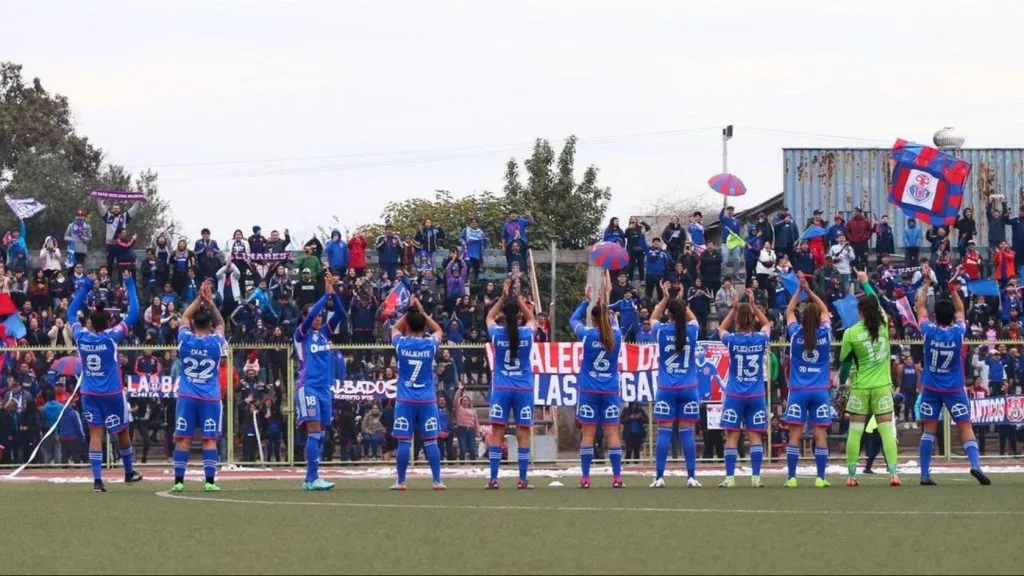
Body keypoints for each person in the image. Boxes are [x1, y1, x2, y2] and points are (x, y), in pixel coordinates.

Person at [914, 270, 991, 486]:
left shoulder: (928, 331)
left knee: (928, 430)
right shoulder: (958, 332)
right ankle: (975, 465)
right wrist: (954, 290)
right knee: (965, 426)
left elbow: (919, 307)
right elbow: (960, 310)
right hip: (955, 389)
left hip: (930, 387)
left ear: (935, 315)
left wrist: (927, 283)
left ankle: (924, 474)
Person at [68, 270, 142, 492]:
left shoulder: (81, 335)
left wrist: (85, 287)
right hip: (111, 393)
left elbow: (71, 312)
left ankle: (98, 481)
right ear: (109, 320)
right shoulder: (112, 336)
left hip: (89, 392)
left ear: (89, 321)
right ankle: (128, 473)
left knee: (96, 433)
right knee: (122, 432)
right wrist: (129, 283)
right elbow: (134, 314)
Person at [839, 268, 901, 487]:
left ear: (860, 312)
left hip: (860, 388)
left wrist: (841, 384)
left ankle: (852, 475)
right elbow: (876, 301)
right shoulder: (883, 325)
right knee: (886, 431)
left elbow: (845, 364)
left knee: (855, 432)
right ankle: (893, 473)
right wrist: (865, 282)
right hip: (883, 386)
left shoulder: (851, 333)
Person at [170, 281, 228, 493]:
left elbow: (184, 317)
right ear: (209, 326)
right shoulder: (215, 342)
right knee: (209, 439)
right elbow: (222, 323)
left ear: (194, 325)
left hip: (187, 396)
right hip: (210, 397)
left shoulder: (185, 339)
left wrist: (198, 299)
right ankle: (210, 482)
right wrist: (210, 303)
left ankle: (179, 481)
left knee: (183, 439)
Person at [570, 272, 624, 489]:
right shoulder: (616, 335)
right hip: (610, 390)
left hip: (589, 391)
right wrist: (607, 307)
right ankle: (617, 477)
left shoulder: (586, 334)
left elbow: (573, 320)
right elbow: (612, 322)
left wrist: (587, 301)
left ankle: (585, 477)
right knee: (612, 434)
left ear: (592, 319)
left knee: (588, 434)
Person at [293, 273, 346, 491]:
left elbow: (341, 313)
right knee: (313, 431)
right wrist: (325, 295)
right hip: (308, 388)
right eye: (314, 315)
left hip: (324, 389)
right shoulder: (301, 334)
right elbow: (311, 314)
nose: (318, 318)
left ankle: (311, 477)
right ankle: (311, 478)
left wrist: (333, 295)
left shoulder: (325, 332)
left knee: (321, 434)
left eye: (320, 315)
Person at [716, 287, 772, 488]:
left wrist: (733, 309)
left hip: (735, 394)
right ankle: (756, 477)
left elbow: (720, 329)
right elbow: (767, 324)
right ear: (753, 320)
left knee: (732, 436)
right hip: (756, 394)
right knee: (755, 435)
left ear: (738, 321)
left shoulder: (731, 340)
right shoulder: (760, 339)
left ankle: (730, 478)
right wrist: (754, 306)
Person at [485, 279, 537, 489]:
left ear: (502, 316)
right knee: (523, 434)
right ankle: (523, 479)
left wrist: (504, 297)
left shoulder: (497, 334)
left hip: (502, 388)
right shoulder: (527, 334)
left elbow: (488, 316)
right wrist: (518, 299)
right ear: (518, 316)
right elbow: (532, 318)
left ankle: (494, 479)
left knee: (497, 433)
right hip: (523, 388)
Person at [649, 281, 701, 488]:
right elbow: (693, 318)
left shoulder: (661, 330)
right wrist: (679, 300)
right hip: (689, 388)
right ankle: (691, 476)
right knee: (687, 433)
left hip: (666, 388)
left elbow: (653, 317)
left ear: (668, 314)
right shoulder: (692, 330)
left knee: (664, 433)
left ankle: (660, 477)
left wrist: (665, 298)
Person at [390, 296, 446, 491]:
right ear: (424, 327)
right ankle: (437, 481)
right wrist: (422, 312)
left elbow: (393, 329)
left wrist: (407, 314)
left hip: (405, 399)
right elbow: (439, 330)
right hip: (427, 399)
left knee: (404, 441)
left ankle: (401, 481)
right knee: (431, 441)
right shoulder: (430, 344)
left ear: (407, 325)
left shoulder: (401, 344)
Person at [782, 278, 833, 488]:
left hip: (798, 390)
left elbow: (789, 311)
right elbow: (825, 310)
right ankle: (820, 477)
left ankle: (792, 477)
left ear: (802, 319)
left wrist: (799, 292)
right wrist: (811, 292)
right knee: (820, 433)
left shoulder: (795, 335)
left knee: (795, 433)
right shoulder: (826, 335)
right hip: (820, 391)